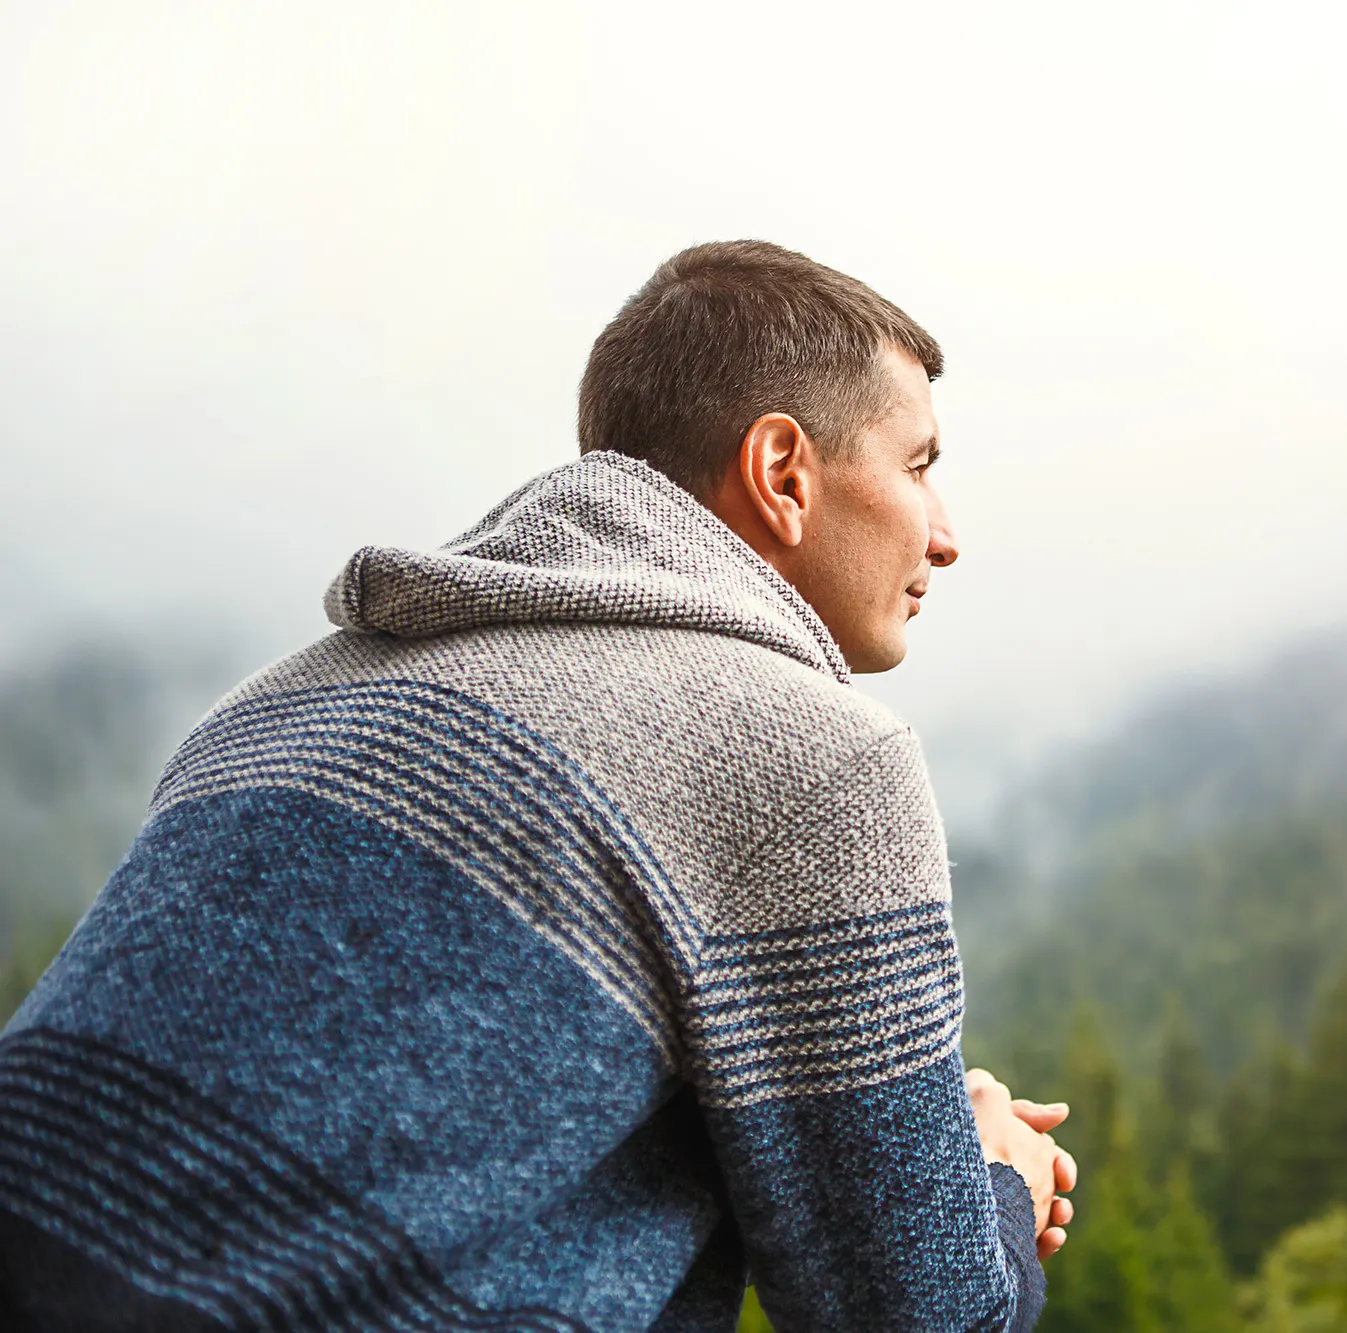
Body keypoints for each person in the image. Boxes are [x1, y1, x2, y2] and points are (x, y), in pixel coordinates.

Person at [0, 240, 1075, 1330]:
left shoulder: (259, 706)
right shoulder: (813, 757)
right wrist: (996, 1179)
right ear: (782, 473)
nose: (943, 537)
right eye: (920, 464)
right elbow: (921, 1315)